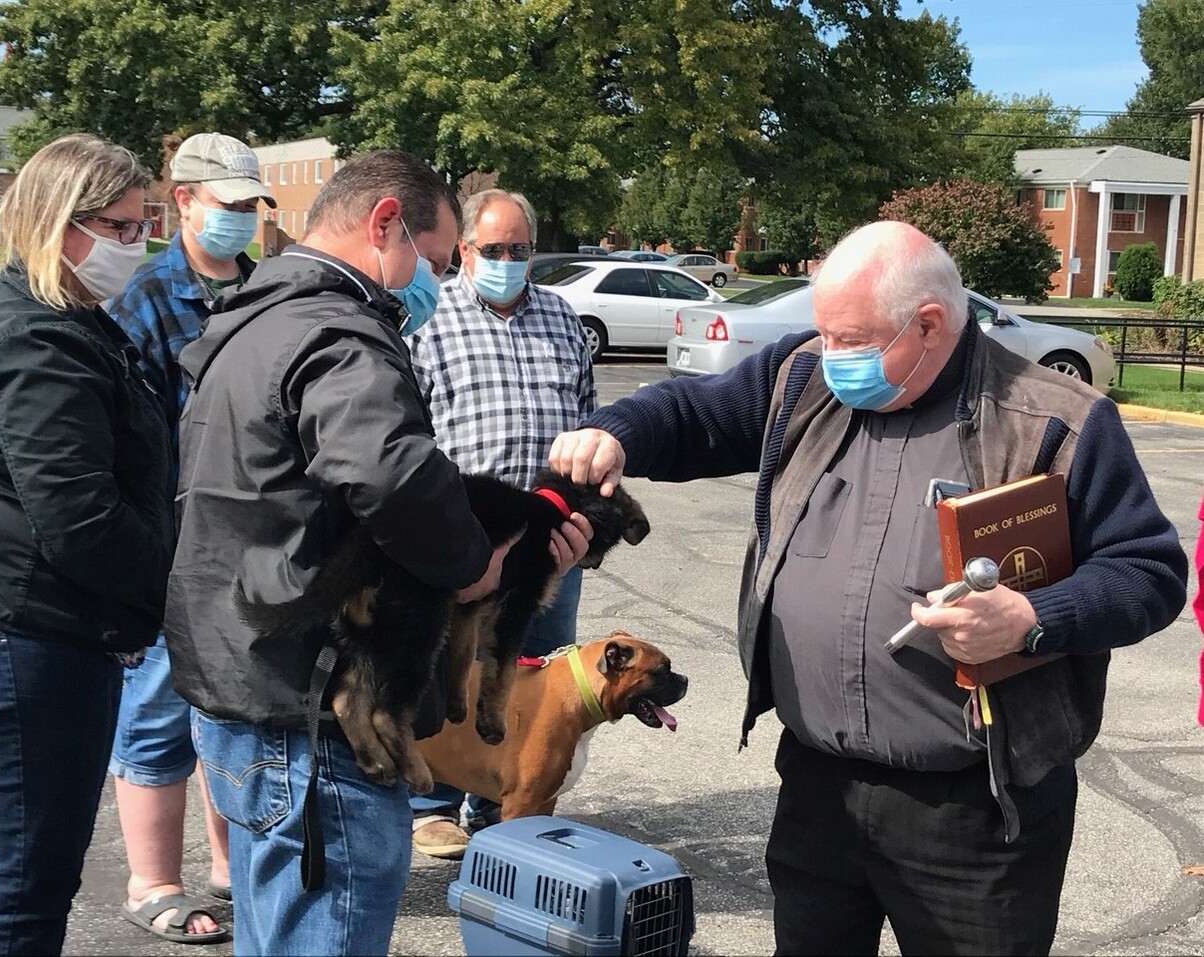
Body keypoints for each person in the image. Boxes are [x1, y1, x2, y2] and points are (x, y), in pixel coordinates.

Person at [550, 220, 1188, 956]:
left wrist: (1031, 616)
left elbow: (1148, 571)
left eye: (852, 339)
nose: (833, 356)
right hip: (820, 790)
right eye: (824, 335)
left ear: (929, 325)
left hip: (976, 812)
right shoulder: (803, 378)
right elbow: (696, 412)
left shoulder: (1054, 420)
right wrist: (616, 430)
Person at [163, 149, 591, 956]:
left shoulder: (255, 314)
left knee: (276, 932)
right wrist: (478, 567)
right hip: (313, 709)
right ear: (384, 223)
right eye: (433, 261)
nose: (429, 283)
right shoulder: (341, 330)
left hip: (239, 680)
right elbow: (392, 474)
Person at [0, 133, 174, 956]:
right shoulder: (37, 340)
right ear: (61, 223)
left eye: (144, 227)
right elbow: (79, 520)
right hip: (22, 629)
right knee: (27, 886)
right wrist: (177, 593)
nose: (136, 246)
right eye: (123, 227)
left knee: (40, 877)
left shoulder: (69, 319)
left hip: (49, 625)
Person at [107, 131, 275, 943]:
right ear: (183, 202)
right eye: (229, 207)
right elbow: (125, 442)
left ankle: (223, 862)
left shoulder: (265, 291)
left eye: (252, 209)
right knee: (156, 712)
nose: (243, 222)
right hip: (171, 544)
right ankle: (153, 879)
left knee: (229, 711)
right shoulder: (142, 300)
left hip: (248, 545)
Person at [405, 188, 598, 858]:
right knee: (447, 668)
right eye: (494, 250)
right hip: (463, 538)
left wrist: (587, 518)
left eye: (521, 250)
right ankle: (429, 801)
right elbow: (406, 435)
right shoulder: (428, 320)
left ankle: (502, 800)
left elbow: (589, 422)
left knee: (528, 677)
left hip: (548, 546)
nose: (509, 261)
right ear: (464, 250)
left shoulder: (562, 318)